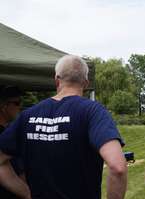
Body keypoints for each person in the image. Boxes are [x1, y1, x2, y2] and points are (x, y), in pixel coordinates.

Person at [0, 55, 127, 199]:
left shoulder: (28, 116)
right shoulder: (92, 112)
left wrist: (27, 193)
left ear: (56, 80)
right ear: (85, 83)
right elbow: (118, 167)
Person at [0, 85, 27, 199]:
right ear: (3, 106)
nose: (20, 107)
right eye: (17, 103)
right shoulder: (6, 135)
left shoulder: (10, 131)